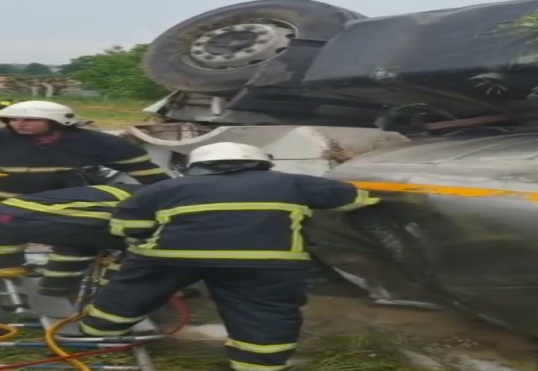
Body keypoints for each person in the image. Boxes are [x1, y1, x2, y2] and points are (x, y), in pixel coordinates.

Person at [79, 142, 380, 371]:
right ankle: (260, 365)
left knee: (132, 290)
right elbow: (355, 198)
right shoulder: (294, 182)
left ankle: (97, 333)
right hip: (266, 261)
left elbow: (128, 227)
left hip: (171, 255)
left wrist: (151, 238)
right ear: (261, 164)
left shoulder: (166, 187)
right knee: (263, 311)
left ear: (195, 165)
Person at [0, 100, 171, 200]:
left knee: (76, 248)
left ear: (56, 121)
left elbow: (148, 174)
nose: (19, 124)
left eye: (29, 119)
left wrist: (175, 196)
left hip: (67, 207)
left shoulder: (97, 142)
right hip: (9, 207)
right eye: (13, 119)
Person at [0, 183, 144, 296]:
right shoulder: (157, 199)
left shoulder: (146, 191)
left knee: (78, 243)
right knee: (141, 250)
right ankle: (112, 294)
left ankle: (55, 291)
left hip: (10, 213)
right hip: (47, 219)